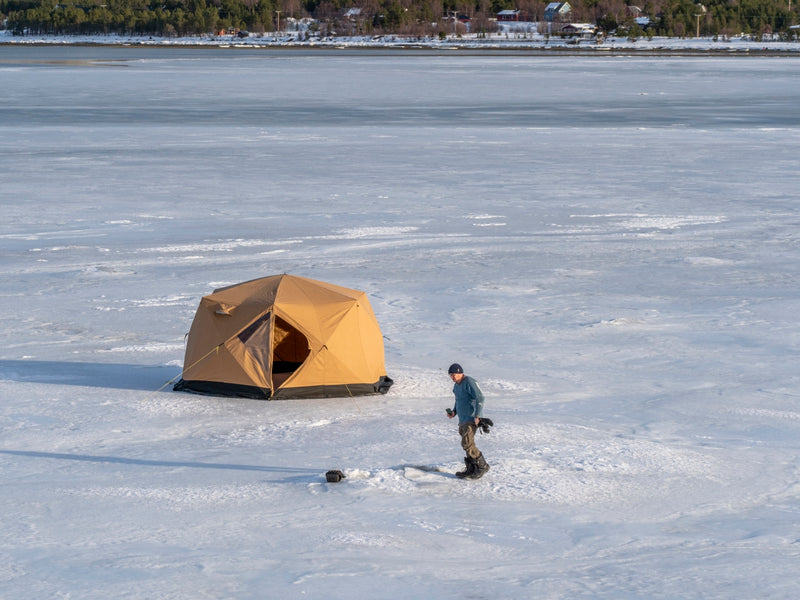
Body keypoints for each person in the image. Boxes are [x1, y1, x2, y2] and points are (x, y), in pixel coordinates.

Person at [446, 363, 490, 479]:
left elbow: (480, 397)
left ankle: (482, 466)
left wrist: (478, 415)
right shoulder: (456, 386)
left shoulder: (469, 382)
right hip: (462, 419)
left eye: (454, 375)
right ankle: (471, 468)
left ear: (460, 373)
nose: (453, 377)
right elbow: (458, 400)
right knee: (466, 443)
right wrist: (454, 412)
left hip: (471, 418)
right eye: (451, 375)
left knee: (467, 443)